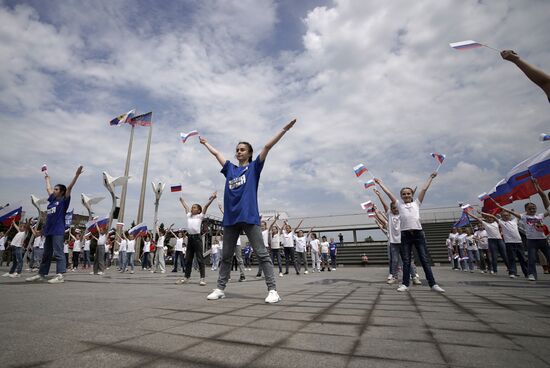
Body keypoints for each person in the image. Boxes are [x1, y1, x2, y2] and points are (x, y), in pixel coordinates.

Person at [201, 118, 296, 303]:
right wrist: (206, 144)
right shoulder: (230, 169)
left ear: (249, 153)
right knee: (227, 256)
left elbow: (267, 147)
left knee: (261, 253)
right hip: (230, 219)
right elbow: (217, 154)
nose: (238, 152)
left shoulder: (254, 168)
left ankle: (273, 290)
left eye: (242, 149)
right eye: (237, 149)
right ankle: (220, 288)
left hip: (249, 216)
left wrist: (284, 129)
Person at [375, 173, 445, 293]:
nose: (406, 195)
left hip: (418, 234)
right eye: (404, 194)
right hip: (405, 235)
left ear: (412, 195)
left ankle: (433, 284)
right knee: (406, 260)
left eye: (408, 193)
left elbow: (424, 189)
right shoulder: (399, 205)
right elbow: (388, 193)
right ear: (401, 196)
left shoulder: (416, 203)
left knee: (424, 259)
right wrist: (380, 183)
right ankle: (405, 284)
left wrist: (430, 178)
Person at [25, 166, 82, 283]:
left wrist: (76, 175)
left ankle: (60, 275)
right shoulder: (52, 200)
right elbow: (48, 189)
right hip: (49, 231)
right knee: (46, 253)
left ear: (61, 192)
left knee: (58, 252)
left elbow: (70, 187)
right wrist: (47, 179)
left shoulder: (63, 201)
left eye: (56, 189)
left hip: (58, 230)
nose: (54, 190)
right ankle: (41, 274)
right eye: (54, 189)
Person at [490, 178, 550, 281]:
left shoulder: (540, 216)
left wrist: (537, 186)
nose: (532, 210)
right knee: (531, 259)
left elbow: (545, 200)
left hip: (543, 240)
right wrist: (499, 206)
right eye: (530, 208)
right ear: (526, 210)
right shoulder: (523, 216)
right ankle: (531, 274)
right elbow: (511, 212)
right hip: (532, 241)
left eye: (534, 208)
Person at [176, 192, 216, 286]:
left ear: (198, 210)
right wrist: (182, 201)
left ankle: (202, 278)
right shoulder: (189, 216)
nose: (192, 208)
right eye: (192, 207)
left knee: (200, 259)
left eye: (194, 207)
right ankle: (186, 277)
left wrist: (212, 199)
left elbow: (206, 206)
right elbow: (186, 207)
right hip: (190, 238)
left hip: (197, 238)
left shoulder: (200, 216)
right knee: (188, 259)